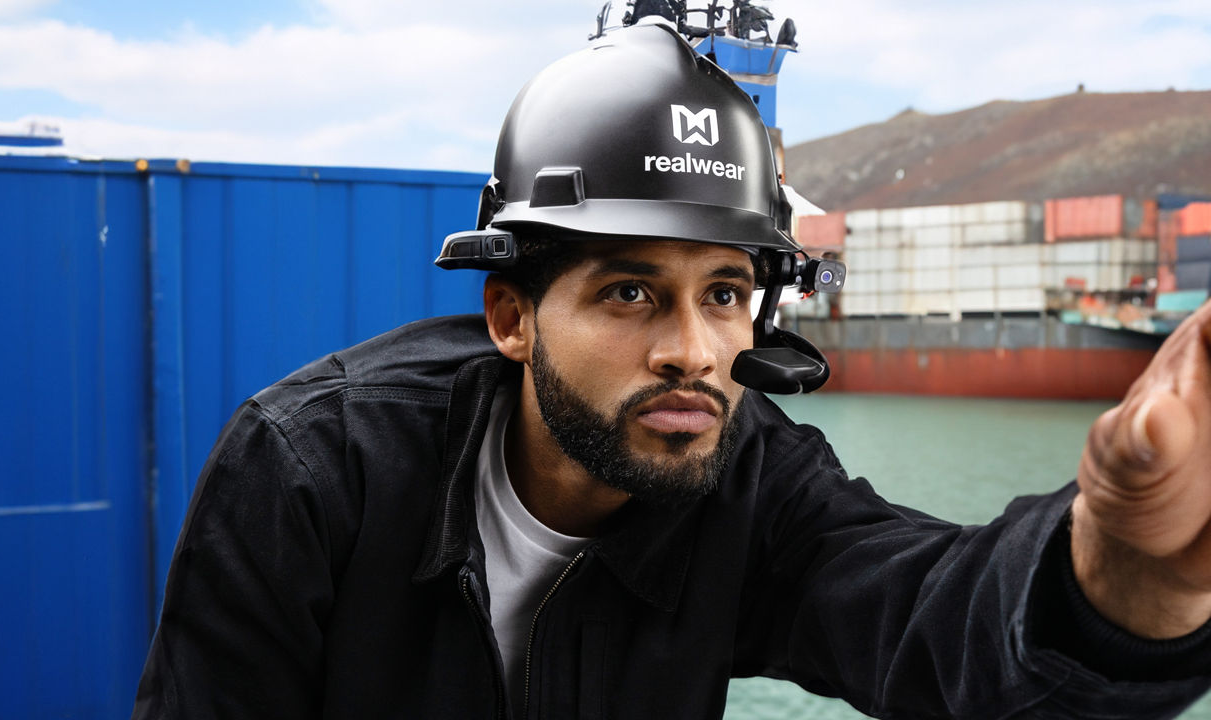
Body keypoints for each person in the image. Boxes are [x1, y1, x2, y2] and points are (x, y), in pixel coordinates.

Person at [132, 20, 1211, 719]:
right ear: (510, 315)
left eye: (725, 294)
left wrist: (1127, 574)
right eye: (629, 292)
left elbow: (928, 616)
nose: (693, 351)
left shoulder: (745, 480)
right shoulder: (315, 471)